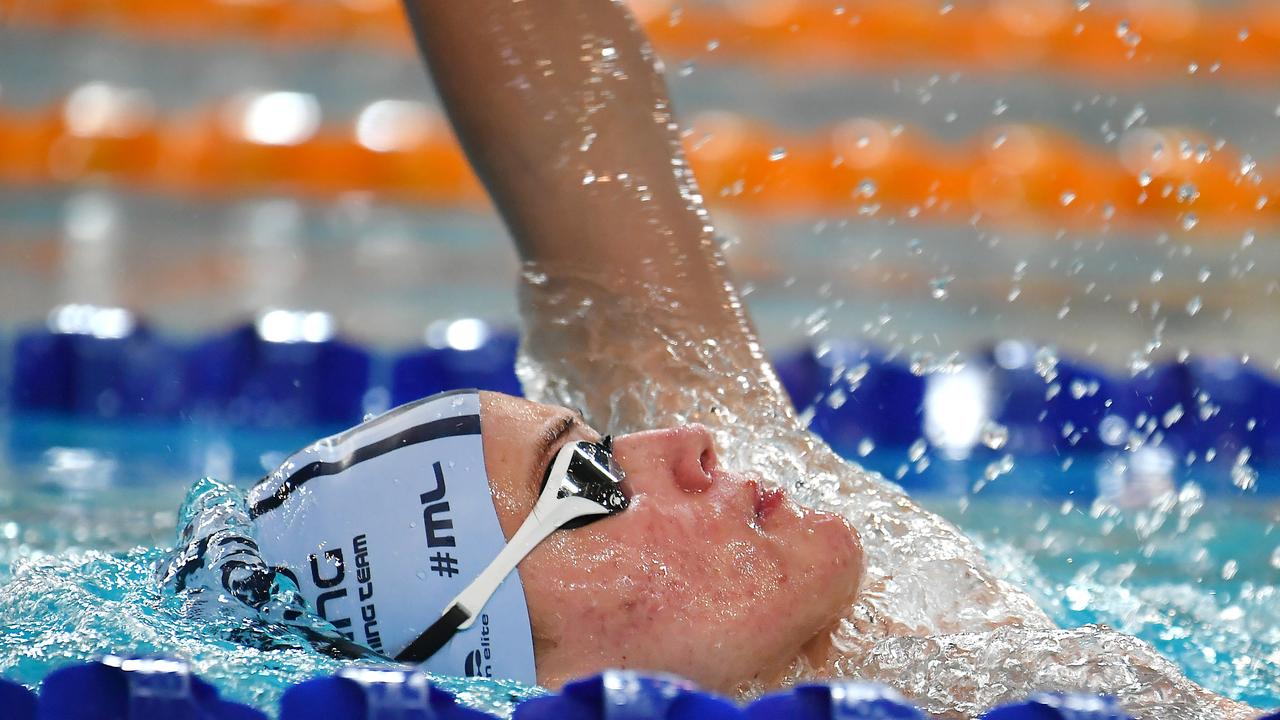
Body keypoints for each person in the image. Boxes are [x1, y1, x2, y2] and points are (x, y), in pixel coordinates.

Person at [166, 1, 1260, 717]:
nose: (681, 442)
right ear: (542, 678)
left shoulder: (788, 517)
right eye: (582, 485)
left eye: (595, 442)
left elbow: (574, 115)